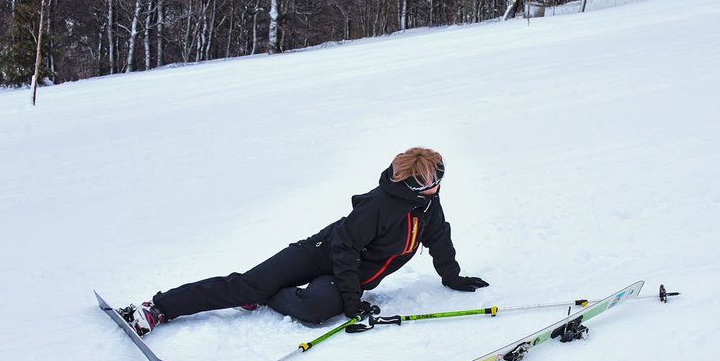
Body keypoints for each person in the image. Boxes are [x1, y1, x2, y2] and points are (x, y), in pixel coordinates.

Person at [122, 147, 489, 336]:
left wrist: (452, 277)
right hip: (320, 254)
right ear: (411, 184)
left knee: (315, 310)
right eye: (430, 180)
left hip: (350, 275)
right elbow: (344, 249)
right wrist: (351, 301)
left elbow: (440, 239)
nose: (438, 184)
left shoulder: (427, 206)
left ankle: (267, 296)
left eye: (439, 176)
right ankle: (159, 308)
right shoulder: (379, 207)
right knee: (247, 284)